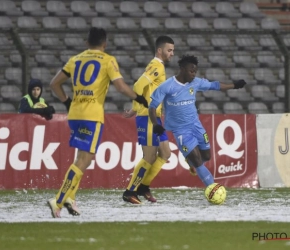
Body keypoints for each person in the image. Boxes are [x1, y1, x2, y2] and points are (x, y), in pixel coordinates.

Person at [47, 27, 148, 218]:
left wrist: (67, 101)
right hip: (92, 115)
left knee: (80, 158)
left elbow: (54, 83)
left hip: (75, 113)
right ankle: (58, 200)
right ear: (105, 43)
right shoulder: (108, 60)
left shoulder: (75, 59)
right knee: (85, 159)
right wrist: (139, 98)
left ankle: (70, 198)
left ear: (87, 43)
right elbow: (120, 86)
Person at [149, 55, 247, 189]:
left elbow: (214, 85)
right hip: (181, 130)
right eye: (191, 71)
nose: (194, 74)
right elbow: (152, 106)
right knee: (197, 160)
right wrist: (156, 124)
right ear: (182, 69)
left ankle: (190, 160)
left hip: (196, 125)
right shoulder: (168, 86)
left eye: (195, 71)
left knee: (206, 156)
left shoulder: (195, 82)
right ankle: (213, 189)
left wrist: (234, 85)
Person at [121, 36, 175, 204]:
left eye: (173, 50)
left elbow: (146, 89)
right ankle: (130, 192)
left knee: (165, 153)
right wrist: (139, 107)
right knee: (149, 157)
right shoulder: (156, 66)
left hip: (156, 117)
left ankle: (143, 187)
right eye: (169, 50)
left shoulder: (159, 66)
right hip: (148, 118)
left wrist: (135, 108)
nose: (172, 53)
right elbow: (138, 86)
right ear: (159, 50)